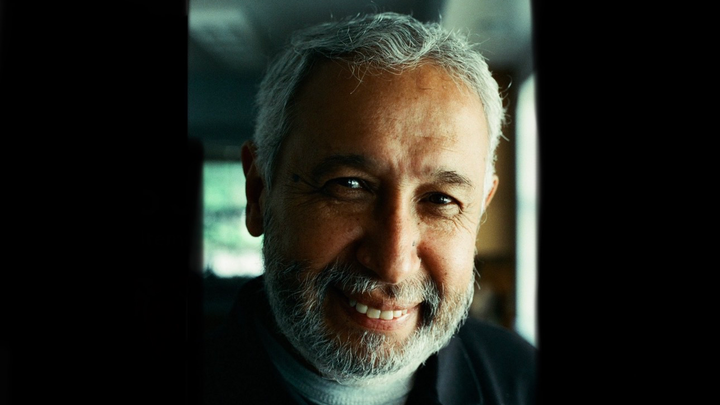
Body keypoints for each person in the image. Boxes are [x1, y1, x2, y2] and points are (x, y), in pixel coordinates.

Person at [203, 12, 536, 405]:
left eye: (440, 199)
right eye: (350, 185)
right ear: (258, 192)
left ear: (478, 211)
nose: (393, 263)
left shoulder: (524, 380)